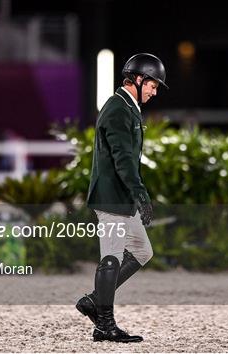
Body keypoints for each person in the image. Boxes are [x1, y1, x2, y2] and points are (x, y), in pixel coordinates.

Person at [75, 53, 168, 342]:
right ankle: (104, 324)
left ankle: (93, 301)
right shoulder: (117, 108)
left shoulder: (129, 108)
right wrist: (140, 192)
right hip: (112, 198)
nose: (154, 91)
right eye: (153, 85)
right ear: (138, 79)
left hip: (122, 198)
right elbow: (123, 159)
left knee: (142, 251)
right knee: (112, 258)